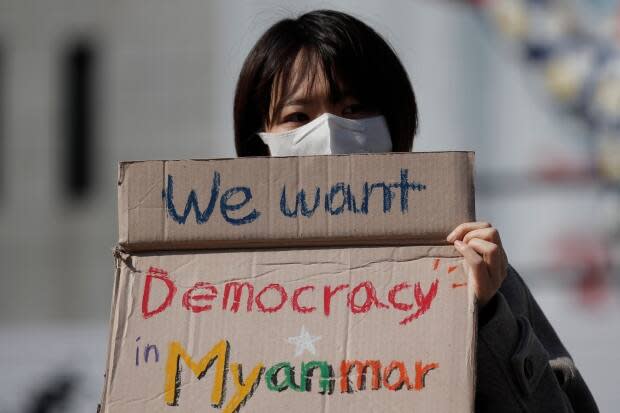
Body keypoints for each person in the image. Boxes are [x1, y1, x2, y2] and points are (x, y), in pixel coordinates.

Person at [232, 9, 599, 412]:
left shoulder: (470, 268)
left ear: (394, 123)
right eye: (298, 117)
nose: (330, 131)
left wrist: (487, 314)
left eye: (353, 108)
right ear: (259, 141)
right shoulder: (223, 287)